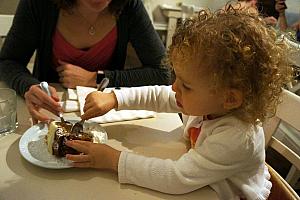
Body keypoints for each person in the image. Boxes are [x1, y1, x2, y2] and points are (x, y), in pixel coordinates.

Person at [64, 6, 292, 200]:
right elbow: (160, 95)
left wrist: (113, 160)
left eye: (186, 85)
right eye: (177, 79)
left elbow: (176, 178)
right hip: (204, 182)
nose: (175, 88)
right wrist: (114, 98)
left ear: (230, 98)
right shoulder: (209, 102)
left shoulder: (238, 137)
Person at [0, 0, 171, 124]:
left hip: (108, 118)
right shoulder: (39, 4)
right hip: (49, 113)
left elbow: (164, 73)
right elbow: (7, 61)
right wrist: (29, 86)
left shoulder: (130, 6)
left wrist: (95, 78)